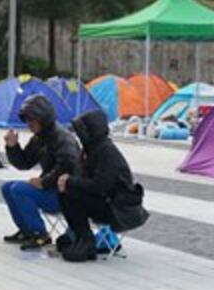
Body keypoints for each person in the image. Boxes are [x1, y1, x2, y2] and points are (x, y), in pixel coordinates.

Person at [58, 109, 149, 262]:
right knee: (67, 192)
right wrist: (68, 181)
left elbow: (100, 185)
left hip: (119, 209)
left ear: (91, 131)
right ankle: (81, 238)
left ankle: (85, 241)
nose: (79, 136)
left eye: (82, 131)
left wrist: (71, 181)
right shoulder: (92, 150)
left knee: (71, 193)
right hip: (108, 201)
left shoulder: (106, 151)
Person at [1, 95, 80, 250]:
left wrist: (44, 182)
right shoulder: (40, 138)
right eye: (27, 120)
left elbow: (69, 165)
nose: (29, 124)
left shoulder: (62, 137)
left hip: (66, 194)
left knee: (19, 189)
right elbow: (24, 163)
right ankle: (26, 231)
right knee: (7, 187)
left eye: (32, 120)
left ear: (43, 118)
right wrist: (13, 146)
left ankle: (40, 234)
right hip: (52, 188)